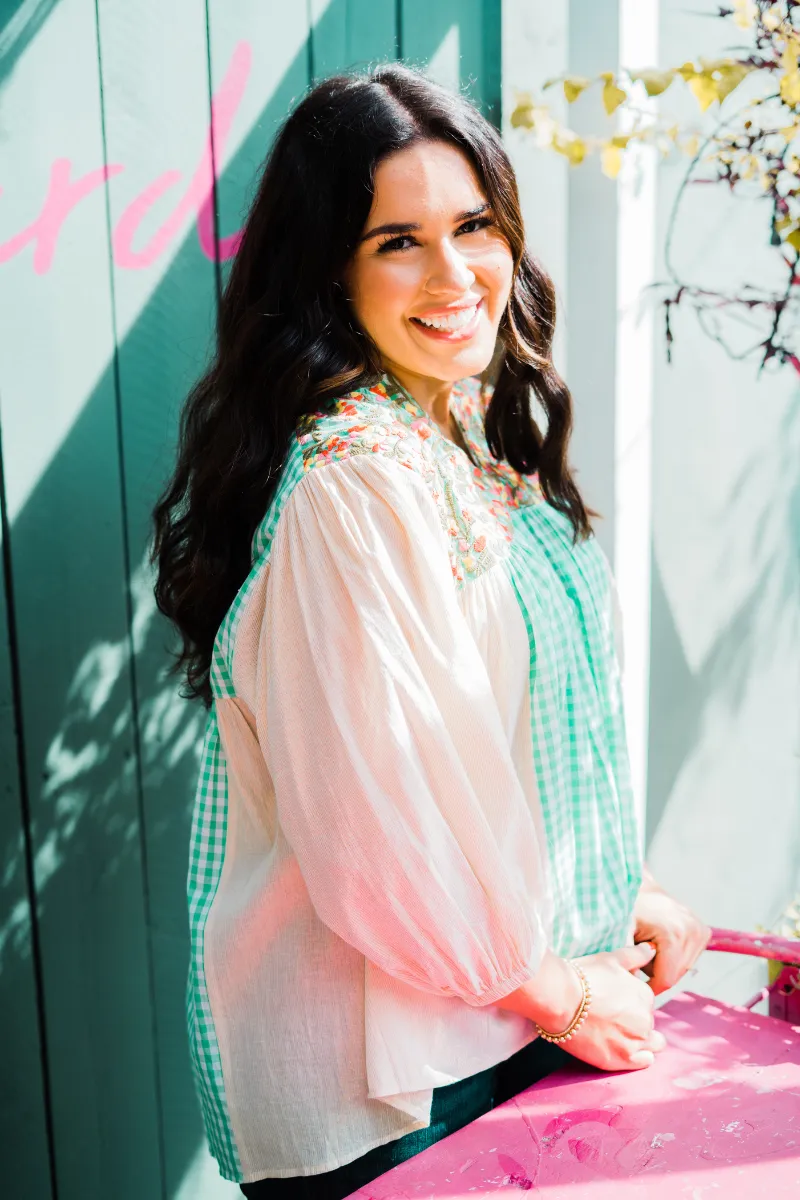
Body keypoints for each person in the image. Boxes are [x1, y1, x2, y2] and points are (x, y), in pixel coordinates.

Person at [152, 63, 710, 1198]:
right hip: (397, 1085)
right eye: (395, 241)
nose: (455, 274)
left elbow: (491, 750)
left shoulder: (445, 443)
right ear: (326, 274)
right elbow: (379, 837)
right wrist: (561, 987)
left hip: (491, 1027)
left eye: (472, 225)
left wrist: (607, 891)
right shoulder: (353, 486)